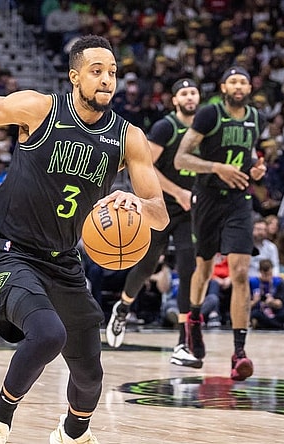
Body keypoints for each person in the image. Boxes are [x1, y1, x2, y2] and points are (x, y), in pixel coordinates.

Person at [0, 35, 168, 444]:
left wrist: (135, 201)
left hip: (64, 262)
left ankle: (73, 434)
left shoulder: (128, 137)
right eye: (96, 71)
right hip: (10, 252)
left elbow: (159, 213)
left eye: (113, 73)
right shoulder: (41, 109)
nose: (106, 80)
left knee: (90, 376)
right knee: (48, 334)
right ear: (74, 77)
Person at [174, 66, 267, 381]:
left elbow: (249, 155)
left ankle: (239, 353)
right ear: (224, 86)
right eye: (233, 81)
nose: (238, 86)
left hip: (239, 199)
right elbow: (181, 158)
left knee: (241, 272)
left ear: (249, 87)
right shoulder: (209, 115)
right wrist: (217, 168)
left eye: (243, 81)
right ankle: (194, 321)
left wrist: (254, 169)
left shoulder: (256, 117)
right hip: (208, 198)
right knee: (204, 269)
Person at [104, 78, 201, 369]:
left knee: (188, 268)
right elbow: (145, 168)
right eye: (183, 93)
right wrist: (179, 192)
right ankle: (123, 307)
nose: (189, 97)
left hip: (189, 211)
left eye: (193, 92)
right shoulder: (166, 127)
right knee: (146, 266)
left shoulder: (203, 131)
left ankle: (185, 340)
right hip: (158, 205)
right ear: (175, 100)